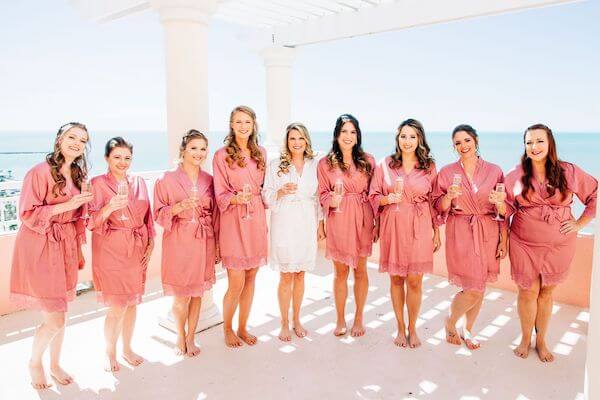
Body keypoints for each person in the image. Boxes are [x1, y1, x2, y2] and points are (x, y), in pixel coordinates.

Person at [10, 122, 93, 389]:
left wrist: (78, 248)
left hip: (66, 245)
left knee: (62, 310)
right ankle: (35, 362)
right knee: (54, 316)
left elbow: (80, 214)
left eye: (82, 140)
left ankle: (55, 364)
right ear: (59, 139)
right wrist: (68, 205)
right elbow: (26, 214)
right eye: (72, 137)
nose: (76, 143)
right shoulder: (39, 172)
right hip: (41, 244)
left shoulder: (80, 173)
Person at [505, 123, 597, 362]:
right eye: (529, 142)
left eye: (539, 141)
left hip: (559, 245)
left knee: (546, 292)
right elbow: (505, 209)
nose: (534, 147)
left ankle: (541, 340)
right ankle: (525, 339)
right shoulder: (516, 175)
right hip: (523, 242)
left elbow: (594, 194)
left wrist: (580, 223)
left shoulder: (569, 171)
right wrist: (497, 206)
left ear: (550, 143)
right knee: (527, 292)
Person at [432, 124, 507, 350]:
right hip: (461, 231)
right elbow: (437, 206)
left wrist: (503, 239)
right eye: (457, 143)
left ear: (476, 140)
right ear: (453, 147)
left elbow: (505, 210)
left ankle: (468, 329)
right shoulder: (446, 172)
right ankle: (451, 320)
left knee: (480, 285)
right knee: (473, 287)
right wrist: (448, 196)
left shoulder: (495, 171)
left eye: (467, 140)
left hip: (488, 230)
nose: (463, 146)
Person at [368, 118, 441, 348]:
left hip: (419, 225)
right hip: (393, 224)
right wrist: (388, 199)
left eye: (412, 136)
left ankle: (413, 327)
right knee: (397, 279)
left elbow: (434, 199)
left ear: (419, 138)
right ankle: (400, 327)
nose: (407, 141)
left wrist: (436, 231)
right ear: (397, 139)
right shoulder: (386, 164)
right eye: (403, 136)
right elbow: (373, 195)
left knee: (416, 281)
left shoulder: (428, 166)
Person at [87, 137, 154, 371]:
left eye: (127, 158)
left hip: (136, 248)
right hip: (110, 250)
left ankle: (127, 348)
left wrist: (151, 243)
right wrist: (109, 207)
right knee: (117, 305)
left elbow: (148, 217)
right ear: (106, 158)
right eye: (117, 157)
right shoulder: (96, 184)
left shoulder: (139, 182)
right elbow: (90, 222)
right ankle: (110, 353)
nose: (122, 162)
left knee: (133, 303)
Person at [154, 130, 219, 356]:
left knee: (197, 293)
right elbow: (158, 213)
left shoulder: (209, 180)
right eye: (194, 148)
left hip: (203, 241)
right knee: (181, 295)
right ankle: (179, 335)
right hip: (179, 241)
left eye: (203, 149)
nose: (199, 153)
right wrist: (178, 207)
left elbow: (216, 213)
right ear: (183, 150)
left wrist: (217, 245)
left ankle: (191, 336)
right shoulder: (166, 179)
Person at [262, 122, 325, 341]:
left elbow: (319, 197)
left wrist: (320, 223)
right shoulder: (275, 164)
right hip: (285, 222)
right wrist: (279, 191)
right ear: (286, 142)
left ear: (306, 140)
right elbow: (266, 194)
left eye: (300, 138)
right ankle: (283, 322)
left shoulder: (315, 164)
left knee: (300, 275)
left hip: (306, 221)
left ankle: (297, 319)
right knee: (286, 275)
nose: (296, 143)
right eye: (292, 139)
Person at [213, 106, 268, 347]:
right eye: (238, 122)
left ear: (253, 125)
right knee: (235, 281)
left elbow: (265, 188)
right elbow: (219, 194)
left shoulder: (261, 153)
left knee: (251, 277)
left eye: (247, 121)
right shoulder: (221, 155)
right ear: (231, 125)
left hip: (255, 217)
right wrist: (236, 199)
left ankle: (243, 327)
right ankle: (227, 329)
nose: (243, 126)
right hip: (234, 219)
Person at [317, 114, 376, 337]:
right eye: (344, 132)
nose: (348, 136)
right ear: (337, 135)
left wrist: (376, 221)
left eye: (353, 132)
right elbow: (321, 193)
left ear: (358, 135)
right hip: (338, 218)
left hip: (362, 216)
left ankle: (359, 317)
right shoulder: (325, 163)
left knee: (360, 270)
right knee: (340, 272)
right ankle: (340, 319)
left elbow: (374, 193)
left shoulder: (368, 160)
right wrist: (331, 202)